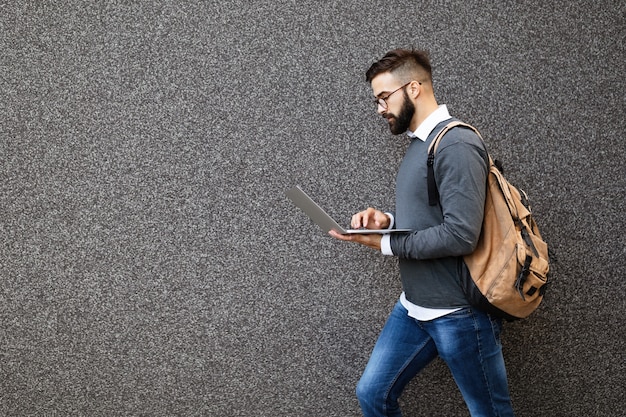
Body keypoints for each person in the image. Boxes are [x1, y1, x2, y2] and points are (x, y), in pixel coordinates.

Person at [329, 49, 515, 417]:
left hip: (459, 313)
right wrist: (387, 220)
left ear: (413, 88)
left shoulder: (456, 144)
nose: (380, 108)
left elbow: (461, 235)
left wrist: (385, 243)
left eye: (384, 97)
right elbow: (431, 217)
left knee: (489, 411)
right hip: (414, 307)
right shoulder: (419, 145)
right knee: (373, 394)